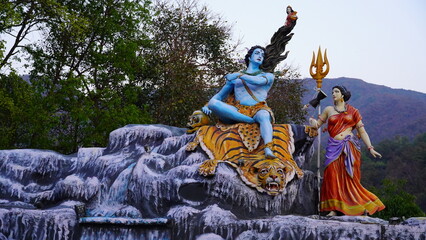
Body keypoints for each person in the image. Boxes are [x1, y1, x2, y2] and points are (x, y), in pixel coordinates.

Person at [309, 85, 385, 216]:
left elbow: (362, 131)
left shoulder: (353, 111)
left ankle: (353, 206)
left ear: (343, 95)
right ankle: (334, 208)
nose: (333, 94)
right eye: (332, 92)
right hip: (333, 146)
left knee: (349, 178)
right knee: (332, 175)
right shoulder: (328, 110)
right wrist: (312, 122)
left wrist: (370, 147)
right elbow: (317, 125)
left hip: (350, 146)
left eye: (337, 92)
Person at [202, 46, 276, 159]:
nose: (260, 56)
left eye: (262, 55)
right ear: (249, 57)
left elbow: (258, 81)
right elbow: (220, 96)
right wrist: (207, 105)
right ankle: (249, 121)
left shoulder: (267, 76)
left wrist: (238, 75)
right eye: (257, 53)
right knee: (213, 103)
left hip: (258, 109)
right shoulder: (235, 78)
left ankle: (268, 148)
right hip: (237, 111)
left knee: (264, 115)